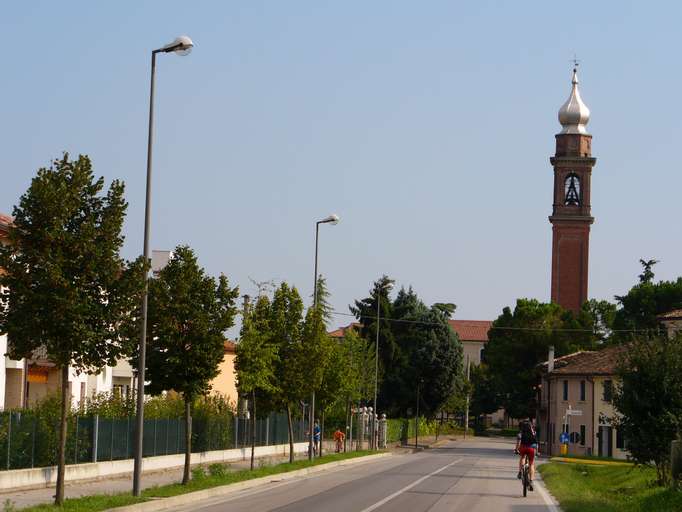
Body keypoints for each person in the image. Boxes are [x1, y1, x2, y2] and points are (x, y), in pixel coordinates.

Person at [515, 417, 539, 491]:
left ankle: (520, 472)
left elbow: (518, 443)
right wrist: (537, 452)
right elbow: (536, 443)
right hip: (531, 449)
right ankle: (531, 481)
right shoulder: (533, 432)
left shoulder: (520, 433)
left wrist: (516, 449)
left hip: (523, 448)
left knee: (522, 457)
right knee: (531, 464)